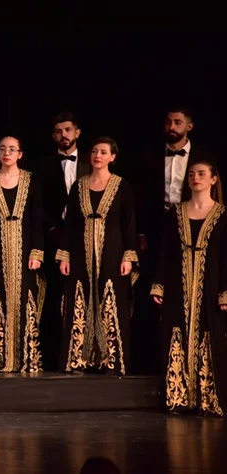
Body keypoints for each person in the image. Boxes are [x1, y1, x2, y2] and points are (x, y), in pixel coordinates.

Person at [134, 105, 219, 374]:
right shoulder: (150, 156)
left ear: (189, 126)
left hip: (193, 226)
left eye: (178, 122)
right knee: (155, 291)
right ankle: (152, 360)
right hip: (158, 230)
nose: (172, 126)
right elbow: (144, 197)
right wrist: (142, 232)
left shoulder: (204, 158)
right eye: (169, 122)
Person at [56, 137, 138, 375]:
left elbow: (129, 224)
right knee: (79, 299)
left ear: (112, 157)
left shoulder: (122, 186)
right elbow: (70, 224)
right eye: (94, 151)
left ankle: (111, 360)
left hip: (112, 251)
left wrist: (128, 256)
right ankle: (79, 359)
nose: (98, 156)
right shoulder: (79, 186)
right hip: (81, 252)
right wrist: (65, 255)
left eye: (103, 152)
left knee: (110, 299)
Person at [151, 159, 227, 416]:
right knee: (176, 333)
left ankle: (206, 398)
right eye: (192, 174)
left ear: (213, 179)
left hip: (210, 285)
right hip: (177, 285)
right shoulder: (175, 213)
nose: (196, 178)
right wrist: (159, 285)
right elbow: (166, 252)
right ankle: (179, 397)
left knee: (209, 334)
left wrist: (224, 292)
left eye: (202, 174)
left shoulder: (222, 215)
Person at [0, 136, 45, 372]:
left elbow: (36, 218)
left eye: (12, 149)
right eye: (2, 148)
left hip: (24, 250)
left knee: (25, 296)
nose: (7, 153)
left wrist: (37, 252)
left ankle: (25, 358)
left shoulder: (30, 180)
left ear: (20, 154)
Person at [38, 112, 91, 370]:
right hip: (56, 238)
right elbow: (39, 204)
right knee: (55, 296)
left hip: (87, 238)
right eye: (59, 131)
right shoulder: (45, 165)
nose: (64, 135)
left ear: (77, 132)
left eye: (68, 129)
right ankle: (57, 357)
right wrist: (51, 230)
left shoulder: (92, 163)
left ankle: (86, 354)